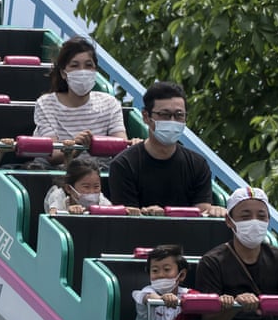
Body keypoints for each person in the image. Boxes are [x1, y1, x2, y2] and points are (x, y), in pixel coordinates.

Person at [194, 186, 278, 320]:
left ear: (268, 220)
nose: (254, 222)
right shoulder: (212, 261)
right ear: (229, 220)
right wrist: (236, 306)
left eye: (261, 216)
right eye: (245, 216)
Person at [107, 81, 223, 217]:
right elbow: (127, 220)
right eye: (165, 114)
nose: (172, 121)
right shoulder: (123, 164)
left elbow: (202, 214)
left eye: (179, 115)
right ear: (146, 117)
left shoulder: (198, 164)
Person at [31, 37, 130, 167]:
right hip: (60, 174)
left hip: (98, 174)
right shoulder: (46, 104)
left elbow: (120, 146)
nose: (82, 71)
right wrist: (77, 147)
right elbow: (53, 155)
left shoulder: (109, 103)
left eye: (88, 66)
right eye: (75, 66)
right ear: (63, 73)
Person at [131, 244, 192, 320]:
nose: (160, 275)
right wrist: (161, 298)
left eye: (167, 269)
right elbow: (147, 297)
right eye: (155, 270)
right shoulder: (148, 291)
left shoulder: (187, 294)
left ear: (181, 275)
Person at [43, 156, 111, 214]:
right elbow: (53, 213)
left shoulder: (102, 201)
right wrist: (68, 213)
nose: (92, 191)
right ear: (69, 189)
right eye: (86, 187)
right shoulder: (59, 196)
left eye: (96, 186)